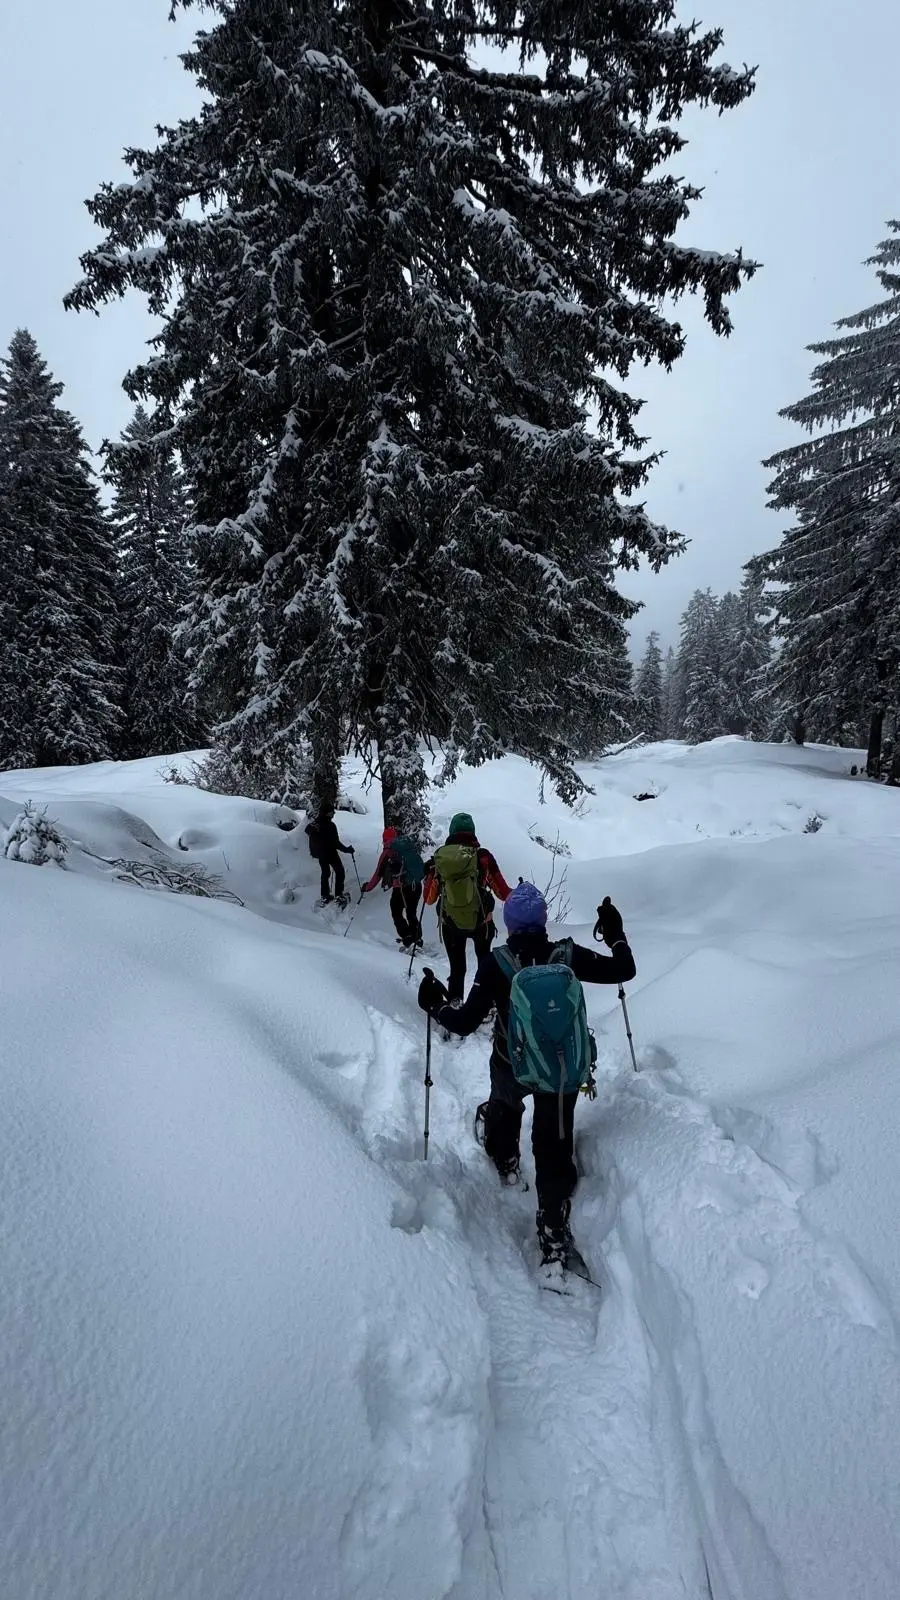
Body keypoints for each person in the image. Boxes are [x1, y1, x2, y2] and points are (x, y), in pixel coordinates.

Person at [417, 884, 635, 1267]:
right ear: (543, 920)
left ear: (509, 923)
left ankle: (506, 1158)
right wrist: (615, 933)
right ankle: (553, 1226)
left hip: (511, 1061)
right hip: (561, 1066)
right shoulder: (567, 955)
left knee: (504, 1103)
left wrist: (436, 1005)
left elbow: (466, 1023)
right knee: (553, 1143)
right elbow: (624, 969)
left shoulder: (497, 963)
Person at [422, 812, 511, 1001]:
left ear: (451, 832)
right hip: (481, 922)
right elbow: (503, 893)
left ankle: (455, 1003)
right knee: (484, 965)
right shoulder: (483, 857)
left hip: (450, 923)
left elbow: (429, 899)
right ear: (473, 832)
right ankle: (485, 1007)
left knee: (457, 968)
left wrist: (429, 876)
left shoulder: (441, 860)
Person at [362, 827, 426, 947]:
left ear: (384, 839)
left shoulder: (388, 852)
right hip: (416, 885)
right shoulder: (407, 847)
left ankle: (407, 937)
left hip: (402, 888)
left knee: (396, 911)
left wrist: (367, 887)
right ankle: (417, 939)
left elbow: (378, 874)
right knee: (411, 913)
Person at [304, 803, 355, 906]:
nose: (334, 813)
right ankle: (339, 896)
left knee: (325, 874)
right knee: (340, 872)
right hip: (331, 853)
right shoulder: (330, 825)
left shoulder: (315, 824)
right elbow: (336, 843)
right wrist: (347, 850)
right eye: (332, 812)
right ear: (327, 813)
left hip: (321, 855)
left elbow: (307, 830)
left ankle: (325, 896)